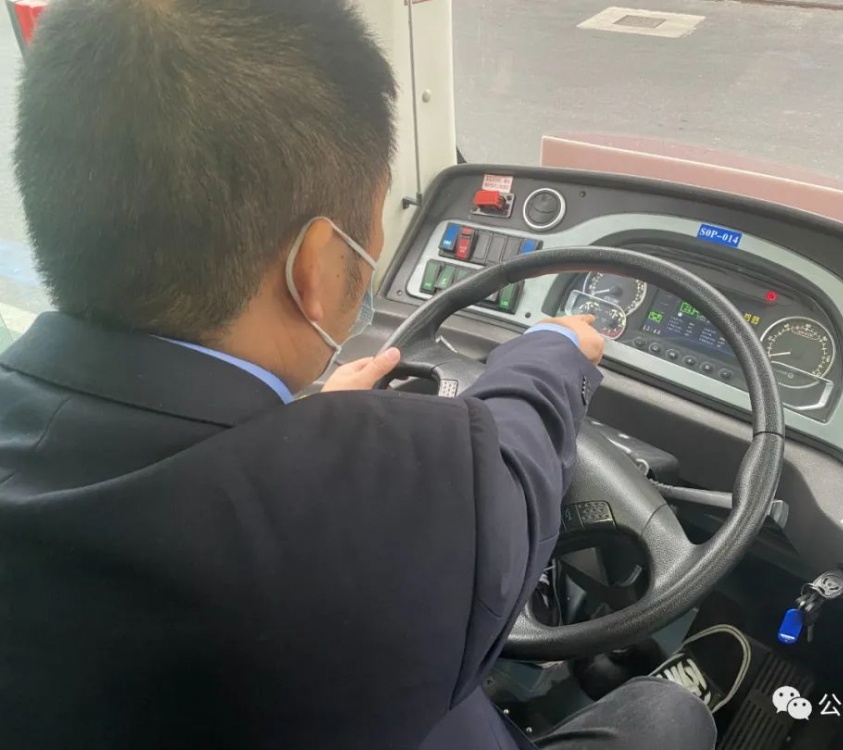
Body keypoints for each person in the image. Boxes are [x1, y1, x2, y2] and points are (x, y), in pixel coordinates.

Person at [0, 1, 716, 749]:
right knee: (666, 716)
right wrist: (555, 349)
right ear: (313, 267)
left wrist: (295, 424)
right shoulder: (365, 507)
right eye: (370, 229)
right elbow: (517, 467)